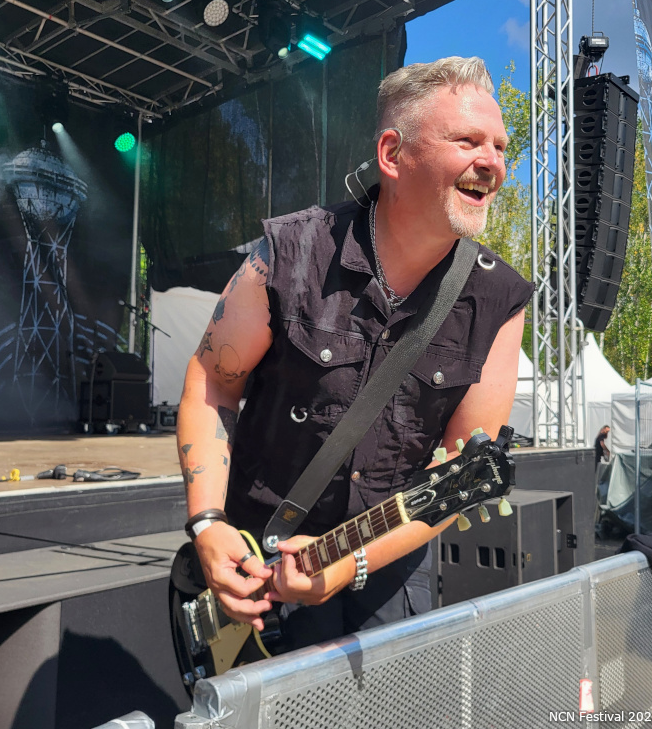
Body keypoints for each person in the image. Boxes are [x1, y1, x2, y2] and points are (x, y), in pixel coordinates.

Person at [176, 56, 534, 654]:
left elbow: (462, 467)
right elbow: (211, 383)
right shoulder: (289, 252)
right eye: (467, 141)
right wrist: (208, 524)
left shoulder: (501, 299)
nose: (492, 162)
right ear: (393, 154)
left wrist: (351, 563)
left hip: (387, 578)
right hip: (253, 565)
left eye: (499, 147)